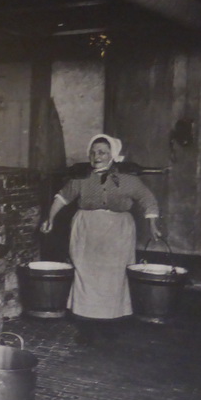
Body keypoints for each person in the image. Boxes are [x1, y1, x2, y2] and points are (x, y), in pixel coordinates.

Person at [40, 134, 162, 343]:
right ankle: (87, 328)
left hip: (117, 233)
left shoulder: (128, 180)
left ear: (113, 155)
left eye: (102, 152)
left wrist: (153, 225)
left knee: (115, 277)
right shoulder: (81, 179)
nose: (97, 157)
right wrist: (50, 218)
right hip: (86, 231)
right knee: (85, 274)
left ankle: (111, 327)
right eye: (93, 152)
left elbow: (147, 199)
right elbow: (61, 197)